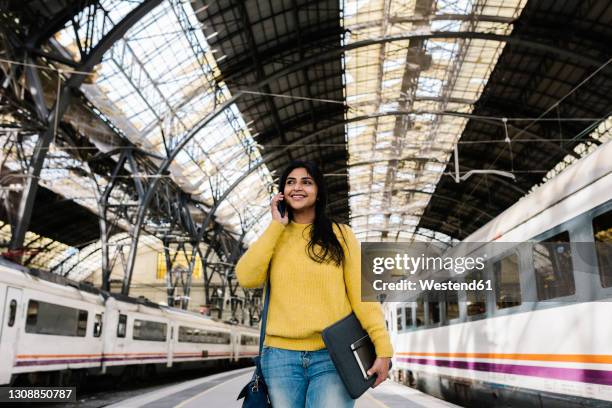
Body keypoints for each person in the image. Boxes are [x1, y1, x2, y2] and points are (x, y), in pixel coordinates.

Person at [236, 160, 393, 408]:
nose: (297, 188)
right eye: (290, 182)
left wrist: (383, 348)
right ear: (281, 193)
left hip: (334, 356)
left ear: (318, 192)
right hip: (279, 357)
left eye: (306, 182)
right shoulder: (274, 236)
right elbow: (246, 277)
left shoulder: (341, 235)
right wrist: (276, 225)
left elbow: (363, 297)